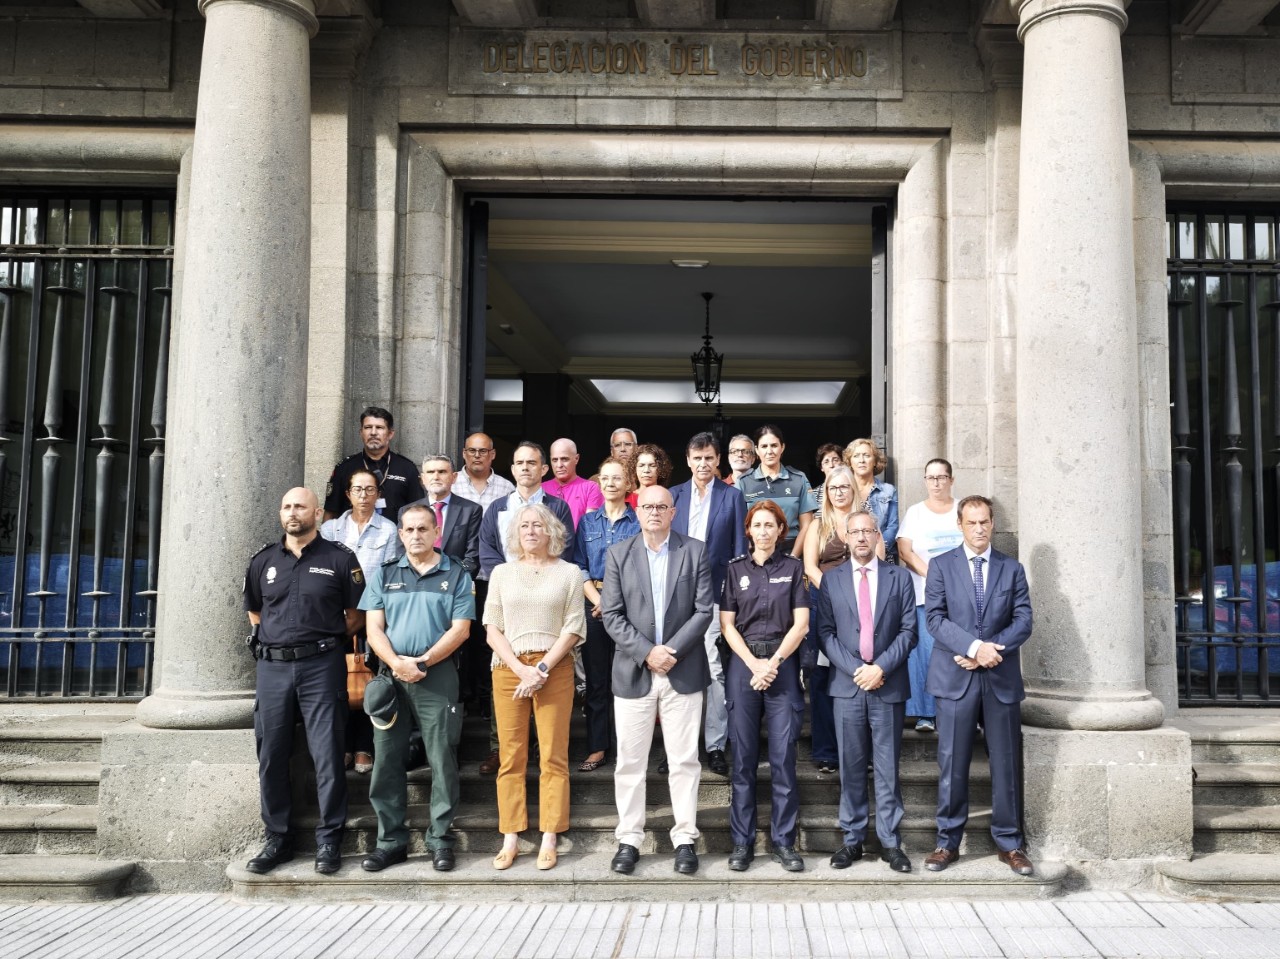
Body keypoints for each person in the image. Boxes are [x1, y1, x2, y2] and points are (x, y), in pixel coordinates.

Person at [242, 487, 364, 876]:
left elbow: (355, 614)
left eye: (300, 506)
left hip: (321, 666)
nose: (293, 513)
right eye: (287, 507)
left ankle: (329, 840)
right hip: (273, 669)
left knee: (327, 754)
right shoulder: (263, 560)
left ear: (317, 512)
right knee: (272, 754)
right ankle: (277, 838)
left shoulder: (339, 558)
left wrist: (320, 642)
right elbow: (255, 613)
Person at [602, 484, 713, 876]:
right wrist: (648, 652)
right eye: (647, 506)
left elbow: (703, 611)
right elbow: (611, 614)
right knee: (630, 763)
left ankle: (684, 839)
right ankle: (629, 839)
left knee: (684, 760)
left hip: (682, 670)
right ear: (637, 510)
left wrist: (671, 652)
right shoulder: (618, 554)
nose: (654, 512)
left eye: (661, 506)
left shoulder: (694, 551)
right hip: (634, 671)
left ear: (672, 511)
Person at [358, 504, 473, 873]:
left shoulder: (455, 574)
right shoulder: (385, 575)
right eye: (408, 530)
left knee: (442, 760)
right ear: (401, 534)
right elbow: (373, 628)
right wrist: (397, 664)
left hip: (437, 677)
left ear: (436, 532)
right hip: (391, 679)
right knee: (386, 761)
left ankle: (440, 840)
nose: (415, 535)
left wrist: (423, 662)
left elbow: (461, 630)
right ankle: (390, 842)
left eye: (423, 529)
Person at [924, 495, 1034, 877]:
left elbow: (1024, 620)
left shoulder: (1012, 568)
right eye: (972, 523)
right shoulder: (940, 567)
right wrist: (973, 648)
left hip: (999, 678)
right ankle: (947, 842)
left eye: (985, 522)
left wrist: (989, 652)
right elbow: (935, 620)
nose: (979, 529)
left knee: (1005, 764)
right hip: (955, 678)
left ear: (993, 523)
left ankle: (1010, 843)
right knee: (953, 763)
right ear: (960, 524)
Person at [483, 503, 586, 871]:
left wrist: (541, 668)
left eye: (537, 526)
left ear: (551, 532)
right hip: (509, 668)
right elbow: (492, 627)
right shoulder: (501, 573)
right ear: (516, 533)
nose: (530, 531)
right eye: (524, 526)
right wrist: (521, 669)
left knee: (553, 755)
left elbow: (574, 627)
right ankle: (511, 835)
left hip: (554, 668)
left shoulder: (570, 573)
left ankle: (549, 835)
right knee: (511, 756)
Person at [816, 510, 918, 874]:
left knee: (888, 768)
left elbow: (909, 632)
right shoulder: (831, 581)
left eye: (868, 531)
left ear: (878, 536)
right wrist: (857, 670)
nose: (861, 537)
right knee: (852, 765)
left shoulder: (900, 578)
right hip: (848, 685)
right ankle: (853, 839)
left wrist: (880, 668)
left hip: (886, 685)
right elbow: (824, 633)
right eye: (855, 531)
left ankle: (891, 841)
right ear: (845, 536)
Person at [475, 441, 576, 775]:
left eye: (532, 462)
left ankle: (540, 746)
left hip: (548, 599)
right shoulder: (497, 509)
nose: (525, 468)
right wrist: (510, 578)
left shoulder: (557, 508)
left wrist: (539, 576)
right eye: (519, 463)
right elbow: (487, 551)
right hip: (509, 600)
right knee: (504, 670)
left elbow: (565, 547)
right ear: (513, 469)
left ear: (543, 468)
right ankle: (498, 747)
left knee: (549, 682)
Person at [719, 500, 810, 872]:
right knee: (742, 760)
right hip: (744, 665)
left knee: (783, 758)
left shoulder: (793, 568)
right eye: (757, 525)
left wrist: (771, 664)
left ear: (780, 530)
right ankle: (742, 843)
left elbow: (801, 624)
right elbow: (727, 624)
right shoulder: (735, 570)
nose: (763, 531)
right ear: (749, 530)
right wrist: (753, 663)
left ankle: (784, 842)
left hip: (781, 666)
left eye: (770, 525)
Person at [671, 431, 746, 777]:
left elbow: (737, 553)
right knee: (678, 669)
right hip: (677, 599)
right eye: (697, 457)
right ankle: (679, 747)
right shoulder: (674, 496)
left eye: (709, 458)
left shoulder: (732, 497)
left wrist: (734, 601)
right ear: (688, 460)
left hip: (716, 596)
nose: (703, 463)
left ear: (719, 461)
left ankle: (716, 745)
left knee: (715, 670)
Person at [320, 469, 403, 775]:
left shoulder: (389, 530)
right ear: (348, 494)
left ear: (378, 494)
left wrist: (373, 613)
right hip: (335, 618)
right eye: (358, 490)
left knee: (368, 682)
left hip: (373, 617)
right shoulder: (330, 531)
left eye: (370, 490)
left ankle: (364, 746)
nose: (364, 496)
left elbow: (392, 574)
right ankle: (341, 746)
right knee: (336, 683)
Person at [573, 457, 640, 772]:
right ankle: (598, 747)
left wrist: (614, 601)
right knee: (597, 680)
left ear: (628, 484)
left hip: (628, 607)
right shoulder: (587, 523)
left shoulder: (638, 522)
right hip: (593, 605)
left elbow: (642, 567)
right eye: (605, 478)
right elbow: (579, 565)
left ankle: (628, 749)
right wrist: (598, 599)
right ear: (598, 483)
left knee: (626, 679)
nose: (611, 483)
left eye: (617, 478)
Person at [896, 458, 964, 734]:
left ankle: (958, 709)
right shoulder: (915, 513)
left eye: (941, 477)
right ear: (925, 481)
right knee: (924, 653)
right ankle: (926, 713)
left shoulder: (963, 509)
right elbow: (905, 551)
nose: (936, 483)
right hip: (924, 595)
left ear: (951, 479)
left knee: (958, 652)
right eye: (931, 478)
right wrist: (936, 579)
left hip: (962, 596)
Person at [451, 432, 515, 712]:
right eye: (472, 451)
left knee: (491, 638)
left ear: (493, 455)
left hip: (493, 577)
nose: (477, 455)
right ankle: (465, 697)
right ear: (464, 453)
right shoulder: (451, 483)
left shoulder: (506, 488)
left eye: (483, 451)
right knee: (462, 637)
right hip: (459, 578)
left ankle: (487, 699)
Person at [801, 464, 856, 775]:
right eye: (833, 488)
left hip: (862, 610)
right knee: (822, 679)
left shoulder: (866, 524)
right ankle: (826, 752)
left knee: (856, 677)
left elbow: (876, 563)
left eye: (844, 487)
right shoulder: (818, 526)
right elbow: (810, 567)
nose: (839, 492)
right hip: (824, 607)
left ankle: (859, 750)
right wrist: (837, 594)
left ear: (853, 491)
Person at [323, 406, 424, 521]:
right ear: (361, 433)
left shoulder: (407, 468)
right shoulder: (344, 467)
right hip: (352, 537)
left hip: (395, 536)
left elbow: (418, 512)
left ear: (390, 434)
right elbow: (331, 512)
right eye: (368, 427)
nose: (373, 432)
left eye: (379, 428)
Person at [737, 424, 817, 557]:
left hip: (791, 549)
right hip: (756, 552)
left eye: (774, 445)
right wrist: (753, 557)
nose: (769, 451)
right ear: (756, 450)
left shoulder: (798, 479)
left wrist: (793, 558)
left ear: (782, 447)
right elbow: (739, 526)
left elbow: (807, 525)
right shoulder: (744, 482)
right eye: (764, 446)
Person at [404, 454, 482, 575]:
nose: (436, 477)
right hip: (415, 583)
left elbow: (473, 557)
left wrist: (449, 580)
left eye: (442, 472)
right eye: (430, 472)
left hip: (454, 584)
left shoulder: (471, 510)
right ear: (422, 479)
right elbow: (401, 552)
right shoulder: (406, 512)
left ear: (454, 477)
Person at [845, 437, 898, 563]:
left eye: (867, 455)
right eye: (856, 456)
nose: (862, 460)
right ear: (850, 462)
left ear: (875, 461)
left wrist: (877, 550)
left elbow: (893, 526)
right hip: (848, 557)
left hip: (882, 557)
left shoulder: (888, 491)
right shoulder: (844, 490)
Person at [543, 437, 604, 529]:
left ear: (576, 459)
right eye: (555, 460)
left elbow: (590, 528)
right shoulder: (541, 488)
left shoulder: (590, 488)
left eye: (564, 459)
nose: (559, 465)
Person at [626, 443, 672, 508]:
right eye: (641, 465)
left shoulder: (669, 497)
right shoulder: (626, 500)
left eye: (652, 465)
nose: (646, 470)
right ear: (634, 469)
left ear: (660, 468)